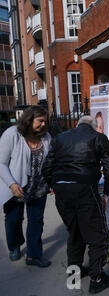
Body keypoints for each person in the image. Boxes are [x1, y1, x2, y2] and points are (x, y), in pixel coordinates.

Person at [42, 116, 109, 294]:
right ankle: (97, 278)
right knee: (97, 235)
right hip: (85, 188)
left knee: (74, 233)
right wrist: (107, 193)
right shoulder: (98, 138)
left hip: (62, 190)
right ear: (93, 127)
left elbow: (46, 167)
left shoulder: (60, 138)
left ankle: (74, 276)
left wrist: (53, 185)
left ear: (77, 125)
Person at [0, 106, 52, 267]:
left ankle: (34, 255)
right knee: (14, 219)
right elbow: (1, 163)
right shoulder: (12, 134)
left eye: (45, 121)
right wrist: (11, 183)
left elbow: (50, 163)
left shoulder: (46, 137)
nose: (44, 124)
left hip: (39, 186)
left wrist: (52, 182)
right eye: (40, 121)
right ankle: (14, 245)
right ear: (29, 120)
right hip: (16, 186)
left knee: (36, 221)